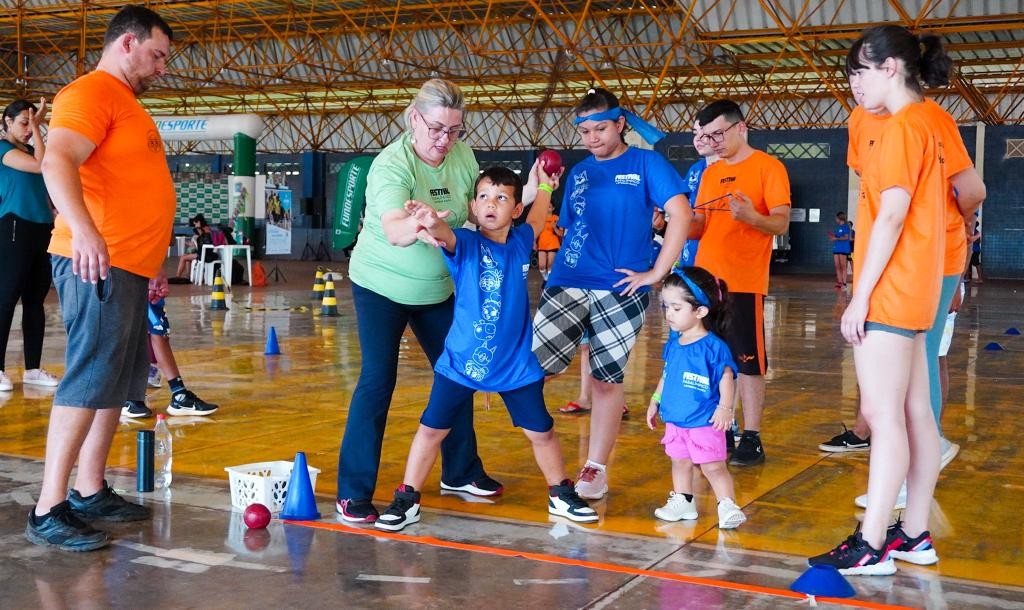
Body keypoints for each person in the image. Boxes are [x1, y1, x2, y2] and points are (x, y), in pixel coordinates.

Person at [808, 25, 958, 576]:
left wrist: (859, 296)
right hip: (919, 284)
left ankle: (871, 542)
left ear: (888, 67)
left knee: (883, 415)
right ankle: (914, 534)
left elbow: (891, 214)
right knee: (917, 413)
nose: (853, 85)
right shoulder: (930, 123)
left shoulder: (899, 129)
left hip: (892, 288)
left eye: (858, 72)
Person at [374, 167, 597, 532]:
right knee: (431, 429)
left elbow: (540, 216)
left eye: (502, 198)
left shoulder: (523, 241)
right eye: (484, 198)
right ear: (473, 207)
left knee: (542, 432)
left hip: (515, 365)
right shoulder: (465, 243)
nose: (491, 204)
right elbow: (443, 234)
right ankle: (407, 497)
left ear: (515, 209)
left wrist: (543, 185)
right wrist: (430, 221)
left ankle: (561, 492)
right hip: (461, 363)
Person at [25, 5, 174, 552]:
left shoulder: (124, 103)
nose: (162, 67)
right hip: (97, 262)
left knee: (119, 380)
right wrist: (86, 233)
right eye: (157, 55)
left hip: (130, 266)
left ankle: (88, 489)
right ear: (127, 43)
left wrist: (152, 259)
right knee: (89, 377)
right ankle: (48, 506)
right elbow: (57, 160)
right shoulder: (90, 93)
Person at [336, 79, 509, 523]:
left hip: (437, 291)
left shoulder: (462, 156)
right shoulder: (391, 166)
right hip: (381, 286)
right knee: (378, 380)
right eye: (436, 128)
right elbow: (393, 227)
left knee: (458, 373)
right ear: (414, 118)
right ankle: (353, 491)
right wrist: (421, 225)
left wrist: (520, 201)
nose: (444, 140)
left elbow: (475, 209)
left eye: (455, 130)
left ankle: (460, 470)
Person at [532, 87, 691, 501]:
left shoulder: (646, 163)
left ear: (621, 124)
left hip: (621, 286)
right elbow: (569, 226)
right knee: (534, 369)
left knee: (606, 379)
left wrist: (657, 271)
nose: (592, 138)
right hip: (567, 279)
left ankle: (595, 467)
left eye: (600, 128)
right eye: (584, 131)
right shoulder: (581, 171)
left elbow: (681, 212)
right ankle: (544, 451)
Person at [690, 100, 792, 466]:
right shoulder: (710, 174)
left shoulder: (768, 167)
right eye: (706, 136)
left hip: (744, 282)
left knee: (748, 362)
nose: (713, 142)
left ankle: (752, 436)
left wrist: (751, 216)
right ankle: (720, 429)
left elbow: (780, 222)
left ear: (741, 128)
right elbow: (699, 226)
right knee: (709, 359)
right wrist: (669, 223)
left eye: (718, 133)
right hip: (705, 284)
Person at [646, 267, 745, 529]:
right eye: (666, 306)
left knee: (713, 467)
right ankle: (684, 501)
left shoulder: (714, 346)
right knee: (679, 462)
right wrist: (655, 399)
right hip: (676, 420)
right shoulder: (674, 343)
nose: (669, 314)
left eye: (676, 308)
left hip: (704, 421)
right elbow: (667, 375)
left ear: (700, 311)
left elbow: (727, 377)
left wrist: (725, 408)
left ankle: (727, 505)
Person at [0, 98, 60, 393]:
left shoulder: (32, 149)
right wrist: (38, 125)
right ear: (7, 122)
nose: (27, 129)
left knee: (35, 301)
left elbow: (47, 172)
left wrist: (55, 211)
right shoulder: (3, 149)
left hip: (41, 229)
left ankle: (33, 368)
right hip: (14, 227)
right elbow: (41, 166)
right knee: (6, 299)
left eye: (31, 123)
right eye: (23, 123)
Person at [121, 279, 219, 419]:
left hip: (143, 276)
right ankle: (126, 396)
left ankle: (178, 394)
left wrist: (155, 276)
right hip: (124, 276)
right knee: (130, 332)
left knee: (158, 331)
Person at [678, 121, 719, 267]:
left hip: (720, 256)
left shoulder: (735, 170)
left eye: (704, 132)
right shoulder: (695, 170)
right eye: (695, 133)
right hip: (691, 254)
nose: (698, 139)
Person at [534, 200, 562, 281]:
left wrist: (554, 227)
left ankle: (549, 282)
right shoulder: (540, 218)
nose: (547, 208)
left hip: (553, 244)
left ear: (553, 208)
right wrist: (534, 242)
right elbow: (536, 231)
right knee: (541, 267)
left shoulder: (557, 218)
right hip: (542, 244)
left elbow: (561, 233)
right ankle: (546, 279)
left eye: (549, 206)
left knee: (550, 266)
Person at [830, 212, 853, 287]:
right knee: (837, 265)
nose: (835, 219)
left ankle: (844, 283)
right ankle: (839, 281)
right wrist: (833, 237)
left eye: (836, 218)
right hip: (837, 248)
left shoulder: (846, 226)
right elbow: (837, 236)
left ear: (840, 218)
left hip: (843, 248)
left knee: (843, 266)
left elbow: (846, 237)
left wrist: (836, 238)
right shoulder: (838, 227)